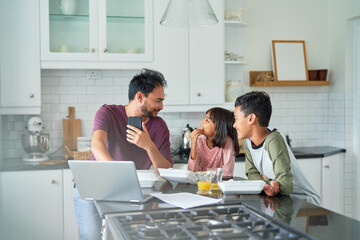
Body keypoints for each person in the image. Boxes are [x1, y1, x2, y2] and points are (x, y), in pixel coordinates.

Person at [74, 69, 173, 240]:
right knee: (91, 235)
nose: (161, 106)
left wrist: (149, 146)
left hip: (126, 190)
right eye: (158, 100)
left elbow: (166, 171)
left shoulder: (159, 126)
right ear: (140, 97)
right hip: (92, 184)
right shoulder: (108, 113)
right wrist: (118, 173)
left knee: (120, 235)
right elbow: (97, 146)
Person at [233, 91, 320, 205]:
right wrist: (266, 183)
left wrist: (265, 182)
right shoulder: (249, 142)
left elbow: (285, 185)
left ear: (251, 118)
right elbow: (251, 173)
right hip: (280, 198)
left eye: (236, 119)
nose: (234, 125)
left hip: (303, 202)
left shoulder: (273, 140)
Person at [188, 107, 239, 178]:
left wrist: (203, 174)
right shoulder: (200, 140)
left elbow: (227, 173)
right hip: (202, 185)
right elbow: (192, 172)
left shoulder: (228, 142)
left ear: (219, 127)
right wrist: (193, 144)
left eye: (207, 120)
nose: (201, 122)